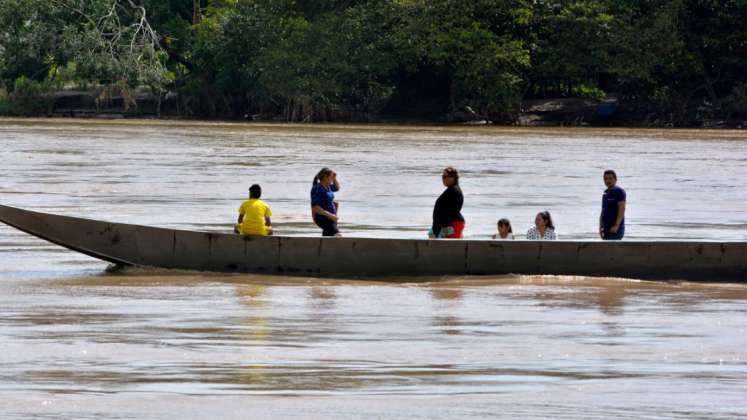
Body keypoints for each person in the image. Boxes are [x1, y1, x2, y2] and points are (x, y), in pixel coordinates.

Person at [429, 167, 465, 239]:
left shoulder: (454, 191)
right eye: (442, 177)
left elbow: (451, 211)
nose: (443, 179)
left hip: (451, 225)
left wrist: (440, 228)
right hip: (451, 225)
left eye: (445, 176)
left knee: (450, 248)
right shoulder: (452, 190)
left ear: (453, 178)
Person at [311, 167, 341, 236]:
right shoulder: (317, 188)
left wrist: (334, 178)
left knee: (327, 238)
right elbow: (316, 207)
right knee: (338, 235)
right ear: (325, 177)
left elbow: (337, 188)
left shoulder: (328, 187)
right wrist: (331, 215)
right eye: (331, 177)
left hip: (331, 218)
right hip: (322, 217)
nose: (332, 179)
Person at [600, 169, 626, 240]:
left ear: (615, 179)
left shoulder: (619, 191)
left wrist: (616, 225)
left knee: (612, 250)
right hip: (606, 229)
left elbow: (622, 209)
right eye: (605, 179)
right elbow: (603, 211)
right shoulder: (605, 194)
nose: (608, 181)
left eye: (610, 178)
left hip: (615, 229)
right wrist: (600, 227)